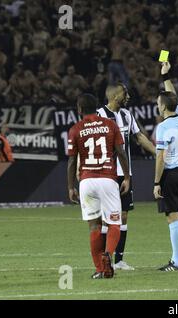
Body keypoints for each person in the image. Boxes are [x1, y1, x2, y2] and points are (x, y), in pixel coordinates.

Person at [67, 93, 130, 279]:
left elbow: (71, 162)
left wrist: (71, 187)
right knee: (114, 223)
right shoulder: (110, 125)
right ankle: (108, 255)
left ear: (79, 109)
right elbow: (121, 152)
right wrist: (126, 177)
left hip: (87, 181)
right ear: (97, 107)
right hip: (108, 180)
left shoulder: (75, 129)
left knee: (94, 227)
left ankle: (99, 269)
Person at [97, 83, 156, 271]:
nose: (128, 96)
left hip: (125, 174)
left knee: (123, 216)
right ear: (115, 96)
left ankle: (119, 260)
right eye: (125, 93)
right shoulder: (99, 115)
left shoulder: (127, 115)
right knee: (107, 218)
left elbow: (139, 137)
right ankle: (105, 258)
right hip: (105, 173)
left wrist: (156, 152)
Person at [153, 61, 178, 272]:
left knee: (172, 216)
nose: (157, 104)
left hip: (170, 175)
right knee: (174, 216)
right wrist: (166, 76)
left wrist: (156, 182)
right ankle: (177, 259)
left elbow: (160, 158)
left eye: (159, 102)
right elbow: (174, 96)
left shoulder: (163, 127)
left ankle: (177, 261)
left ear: (164, 106)